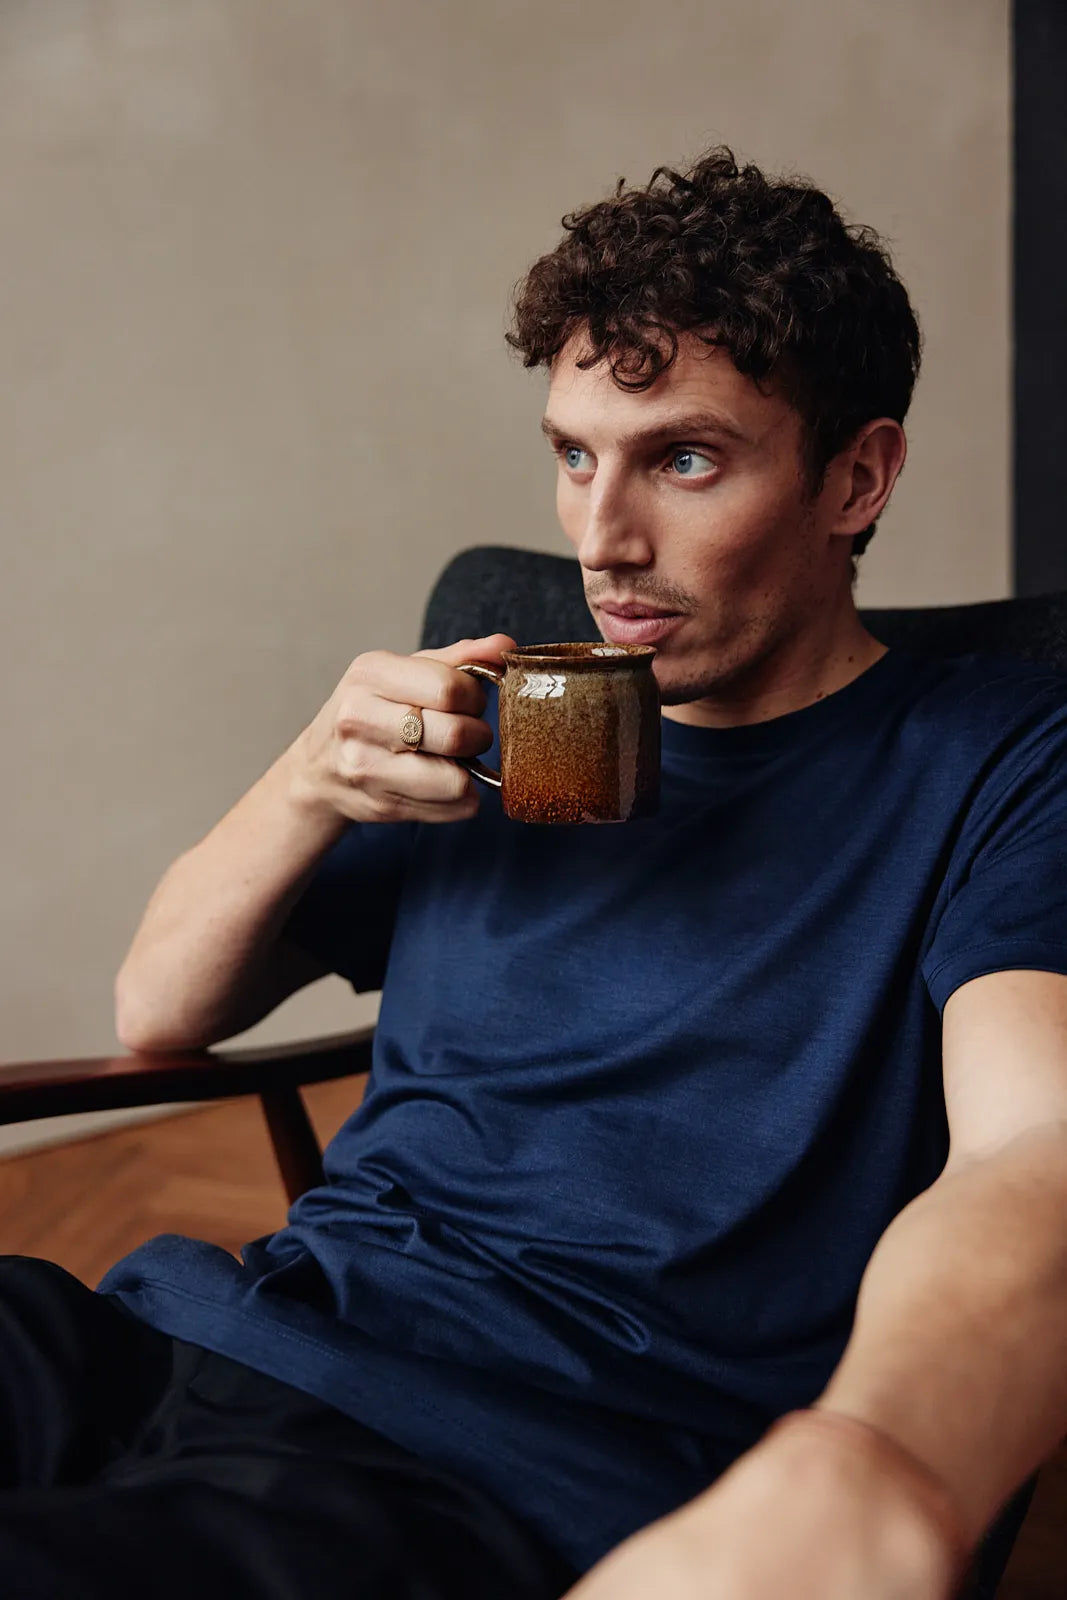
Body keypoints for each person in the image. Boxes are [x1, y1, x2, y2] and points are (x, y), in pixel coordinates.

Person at [3, 148, 1067, 1600]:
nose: (601, 540)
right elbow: (160, 1010)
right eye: (575, 454)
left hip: (492, 1461)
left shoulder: (1002, 758)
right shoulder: (513, 720)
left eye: (681, 459)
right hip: (190, 1328)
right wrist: (306, 776)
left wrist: (870, 1465)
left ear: (857, 475)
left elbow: (1038, 1152)